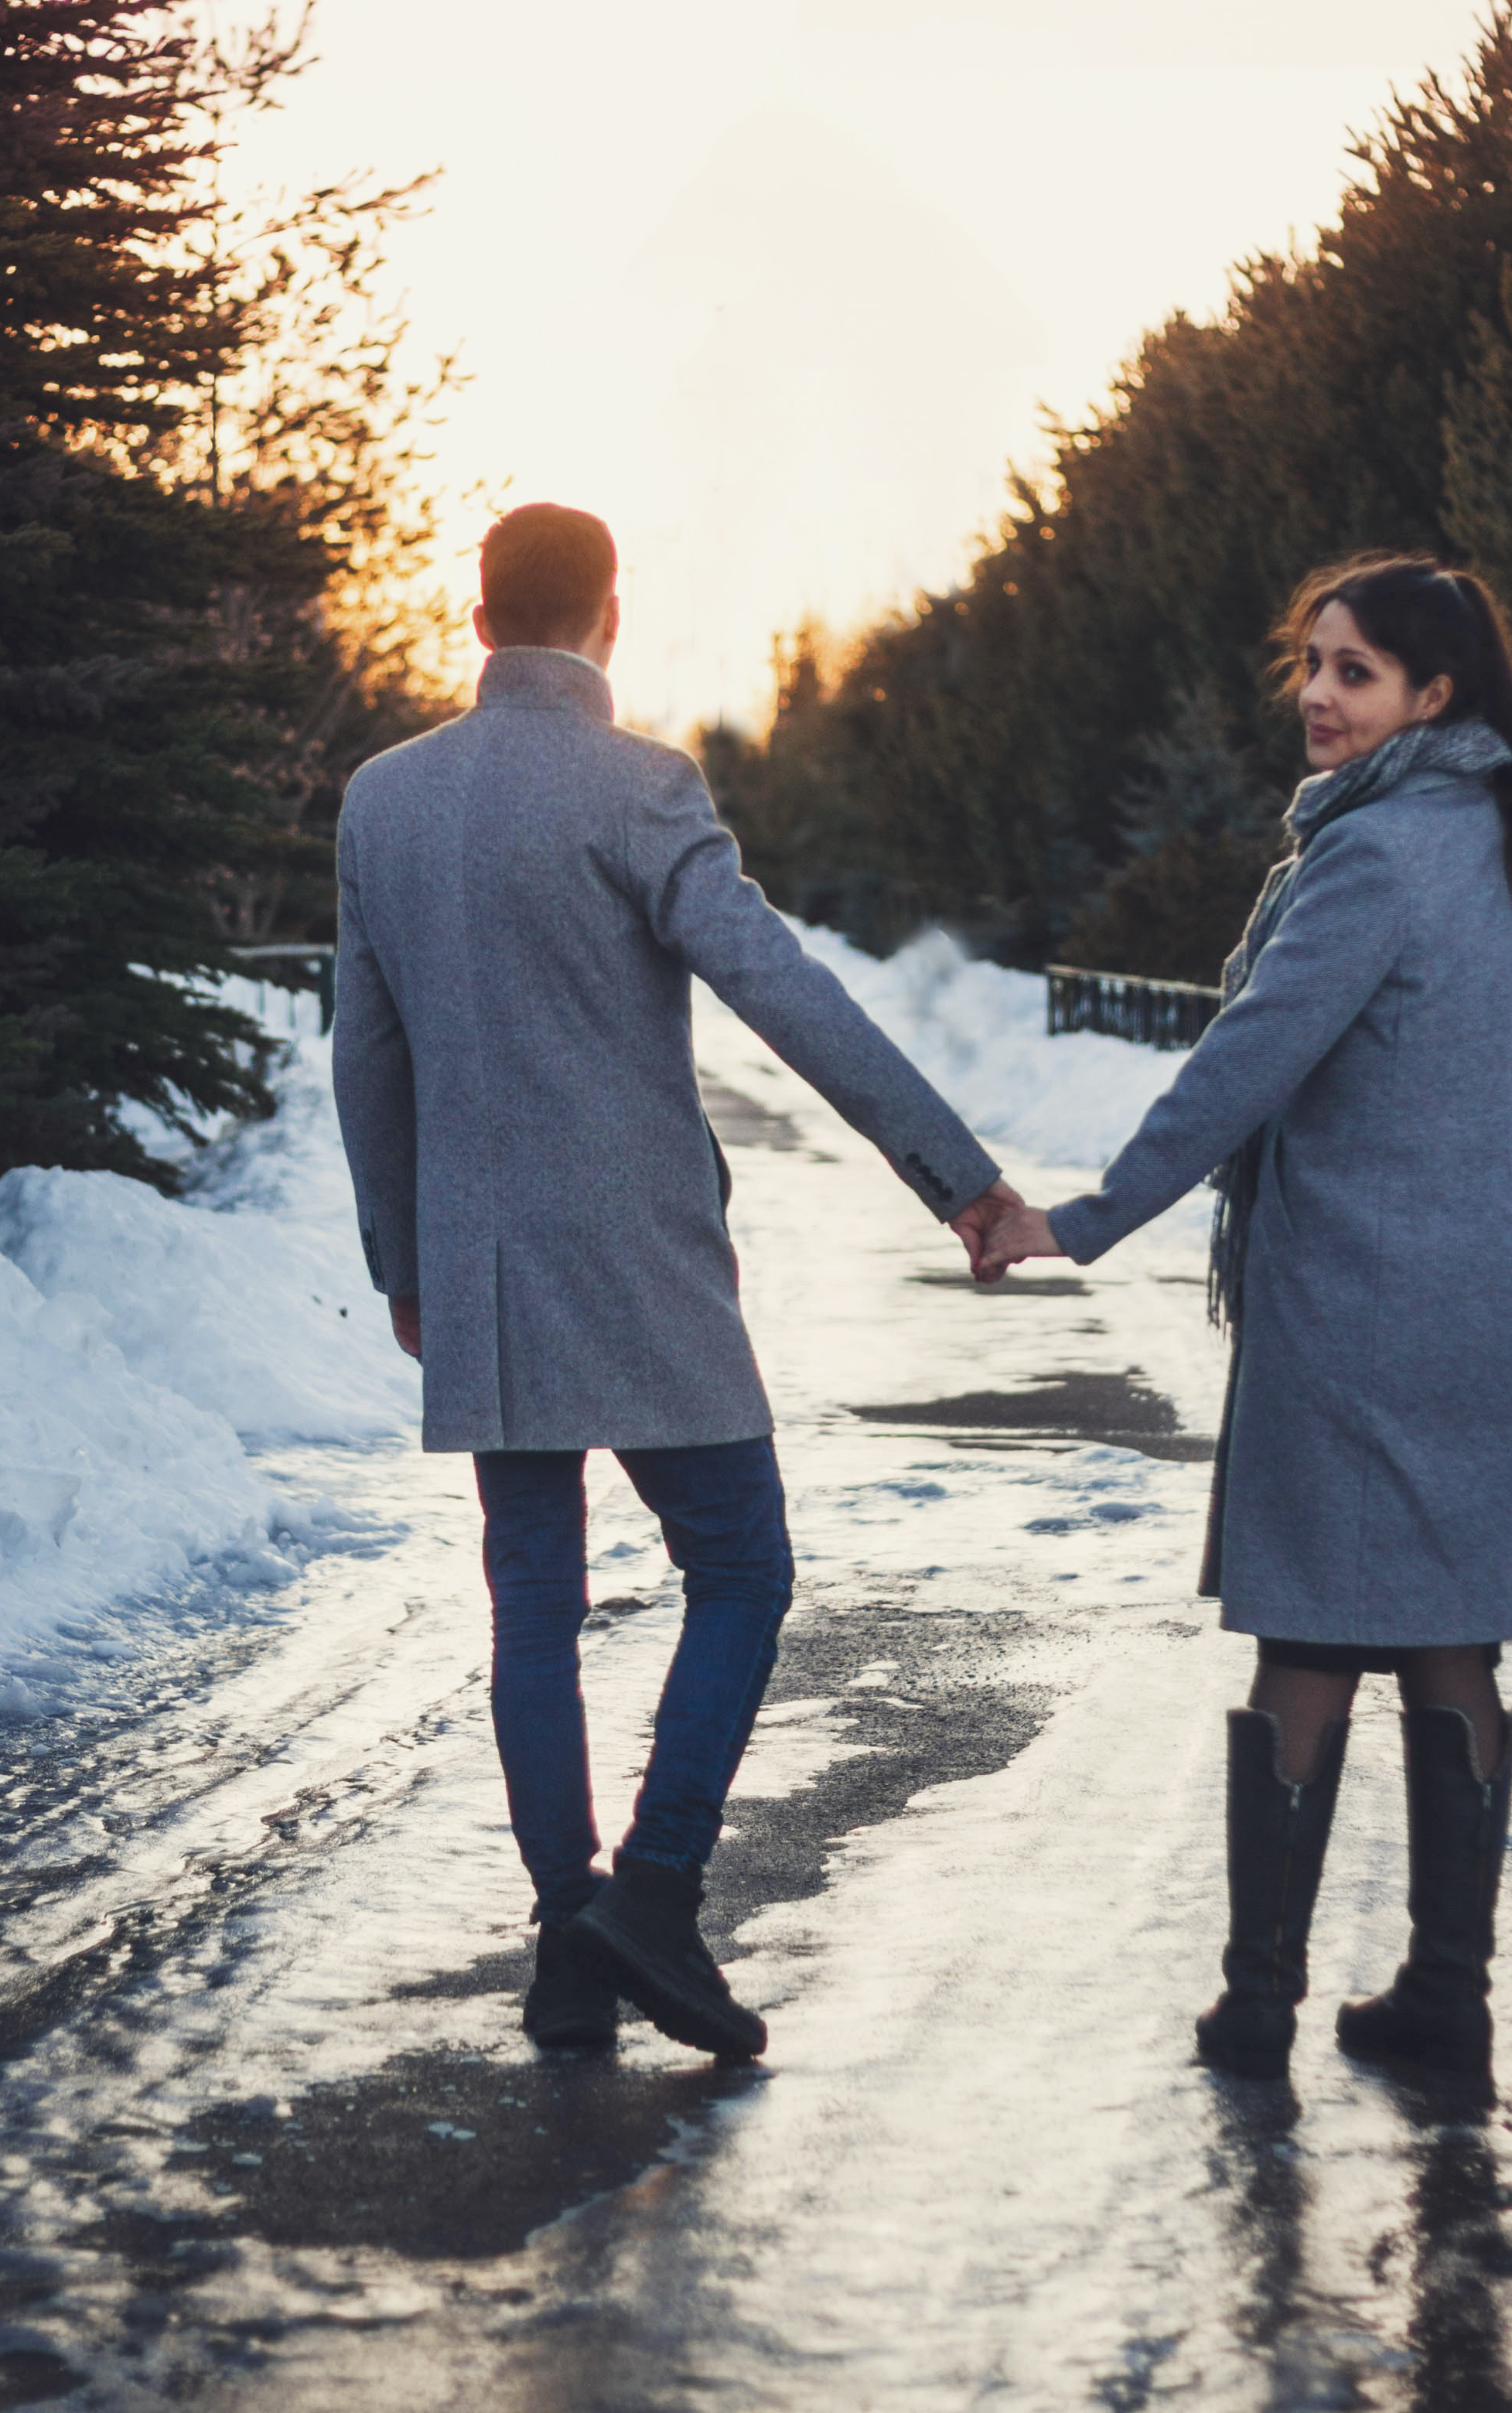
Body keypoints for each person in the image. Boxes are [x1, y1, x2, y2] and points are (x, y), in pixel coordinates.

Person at [332, 503, 1013, 2064]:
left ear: (480, 614)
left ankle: (572, 1940)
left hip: (487, 1273)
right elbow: (785, 990)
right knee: (744, 1569)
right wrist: (955, 1175)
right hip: (640, 1266)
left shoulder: (385, 801)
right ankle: (653, 1890)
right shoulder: (642, 788)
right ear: (609, 618)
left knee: (533, 1608)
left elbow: (363, 1057)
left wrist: (404, 1258)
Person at [976, 555, 1512, 2083]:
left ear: (1434, 696)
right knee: (1452, 1645)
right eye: (1311, 662)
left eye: (1356, 671)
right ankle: (1450, 1993)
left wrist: (1083, 1220)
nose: (1318, 694)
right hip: (1488, 1297)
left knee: (1308, 1640)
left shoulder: (1371, 861)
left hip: (1361, 1309)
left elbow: (1246, 1062)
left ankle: (1260, 2002)